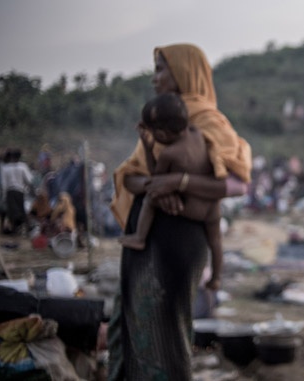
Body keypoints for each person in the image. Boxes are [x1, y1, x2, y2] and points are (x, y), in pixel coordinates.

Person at [107, 43, 251, 380]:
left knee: (163, 331)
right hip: (149, 232)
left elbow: (238, 182)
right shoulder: (160, 118)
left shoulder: (206, 121)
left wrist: (180, 182)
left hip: (178, 239)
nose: (154, 78)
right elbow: (131, 177)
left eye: (161, 68)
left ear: (185, 72)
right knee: (128, 323)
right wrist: (155, 187)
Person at [119, 92, 224, 291]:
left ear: (162, 135)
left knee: (150, 198)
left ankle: (139, 237)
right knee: (216, 241)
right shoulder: (196, 133)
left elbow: (157, 179)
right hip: (211, 205)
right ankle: (216, 278)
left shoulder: (169, 153)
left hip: (192, 208)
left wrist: (149, 149)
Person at [0, 148, 34, 235]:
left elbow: (4, 183)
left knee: (12, 212)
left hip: (10, 192)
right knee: (22, 210)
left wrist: (4, 196)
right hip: (20, 191)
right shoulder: (22, 166)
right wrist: (30, 190)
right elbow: (29, 180)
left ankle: (15, 230)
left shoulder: (5, 168)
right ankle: (28, 228)